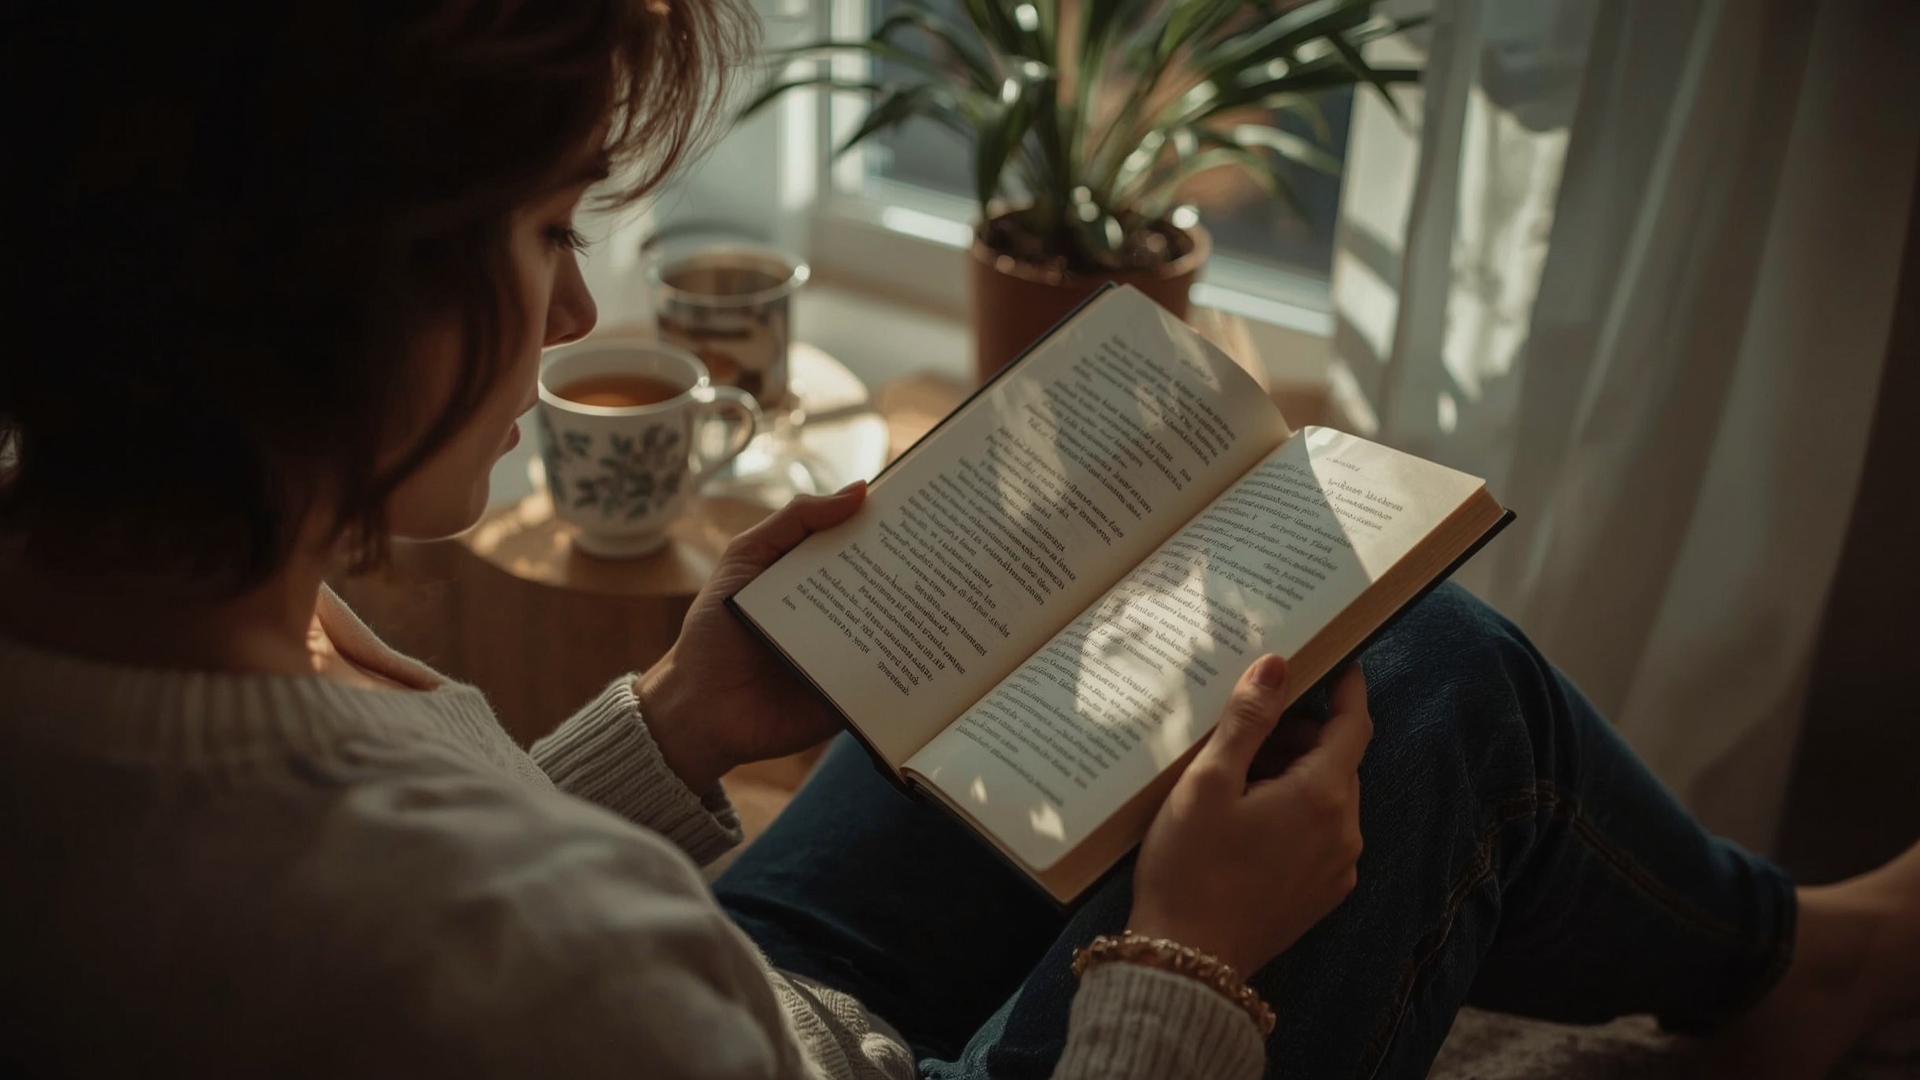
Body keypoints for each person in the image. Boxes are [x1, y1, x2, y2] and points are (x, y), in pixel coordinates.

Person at [0, 1, 1914, 1077]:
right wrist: (1189, 958)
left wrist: (673, 722)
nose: (576, 320)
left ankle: (1771, 956)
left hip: (728, 1006)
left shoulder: (123, 645)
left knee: (1192, 679)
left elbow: (406, 885)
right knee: (1415, 691)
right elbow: (464, 933)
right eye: (545, 231)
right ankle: (1787, 973)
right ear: (333, 290)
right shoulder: (533, 958)